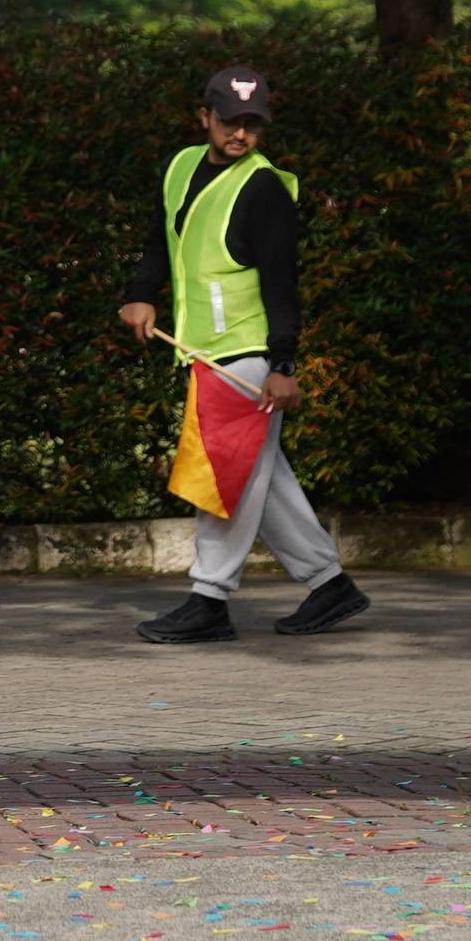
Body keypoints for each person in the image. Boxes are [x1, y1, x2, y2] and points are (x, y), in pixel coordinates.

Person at [117, 64, 366, 643]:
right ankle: (329, 584)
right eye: (231, 121)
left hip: (245, 356)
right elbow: (161, 239)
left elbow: (282, 284)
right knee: (259, 476)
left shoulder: (264, 189)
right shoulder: (181, 166)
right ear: (204, 117)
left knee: (225, 478)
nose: (242, 134)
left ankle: (209, 599)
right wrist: (140, 293)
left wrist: (283, 365)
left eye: (254, 124)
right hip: (206, 352)